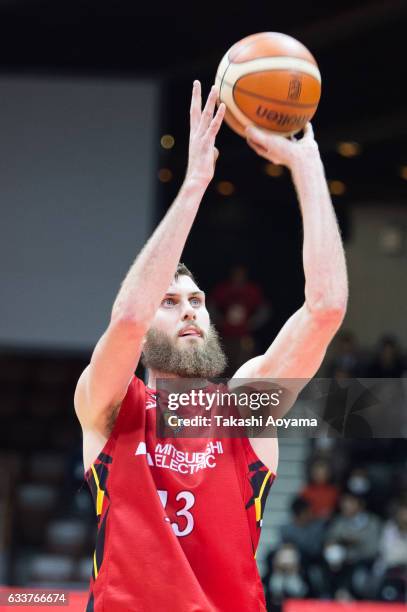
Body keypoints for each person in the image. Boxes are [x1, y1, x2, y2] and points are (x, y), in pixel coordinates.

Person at [74, 81, 348, 611]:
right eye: (171, 302)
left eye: (196, 300)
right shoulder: (111, 406)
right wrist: (196, 181)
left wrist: (308, 164)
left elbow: (326, 310)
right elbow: (129, 316)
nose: (191, 309)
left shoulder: (244, 408)